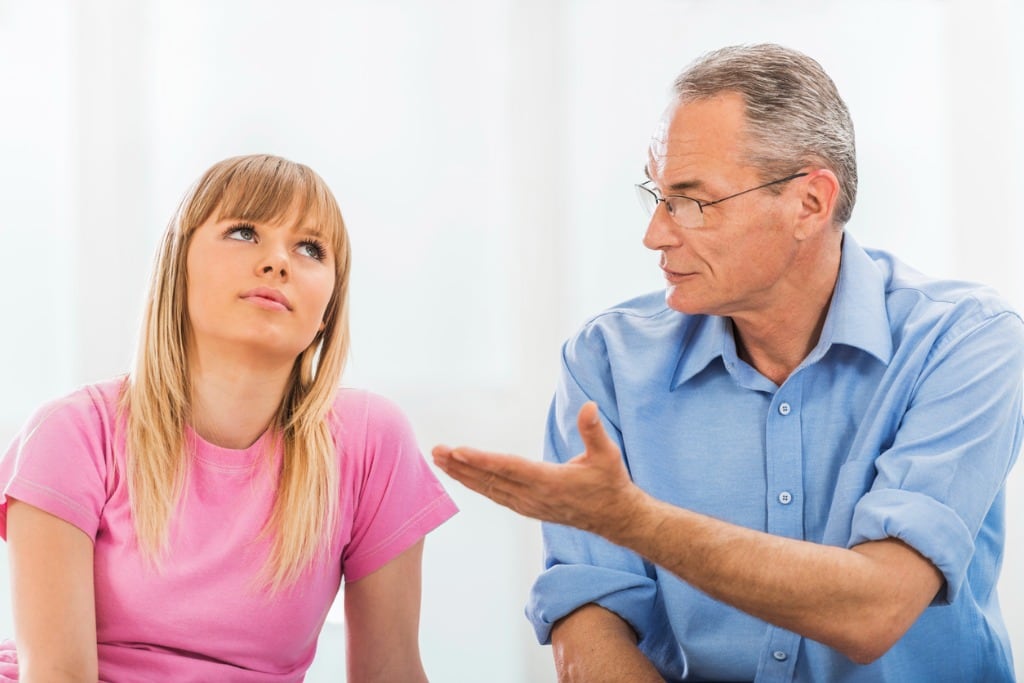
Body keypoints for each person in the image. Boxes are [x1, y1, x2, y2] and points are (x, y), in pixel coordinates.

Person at [433, 44, 1024, 682]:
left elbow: (874, 610)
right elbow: (589, 616)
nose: (655, 233)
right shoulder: (607, 359)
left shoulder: (967, 342)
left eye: (692, 201)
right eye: (656, 196)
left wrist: (633, 520)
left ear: (809, 203)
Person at [0, 154, 457, 681]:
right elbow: (57, 675)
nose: (278, 262)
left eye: (310, 248)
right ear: (179, 263)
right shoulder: (73, 433)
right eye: (245, 232)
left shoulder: (371, 441)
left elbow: (391, 671)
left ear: (329, 305)